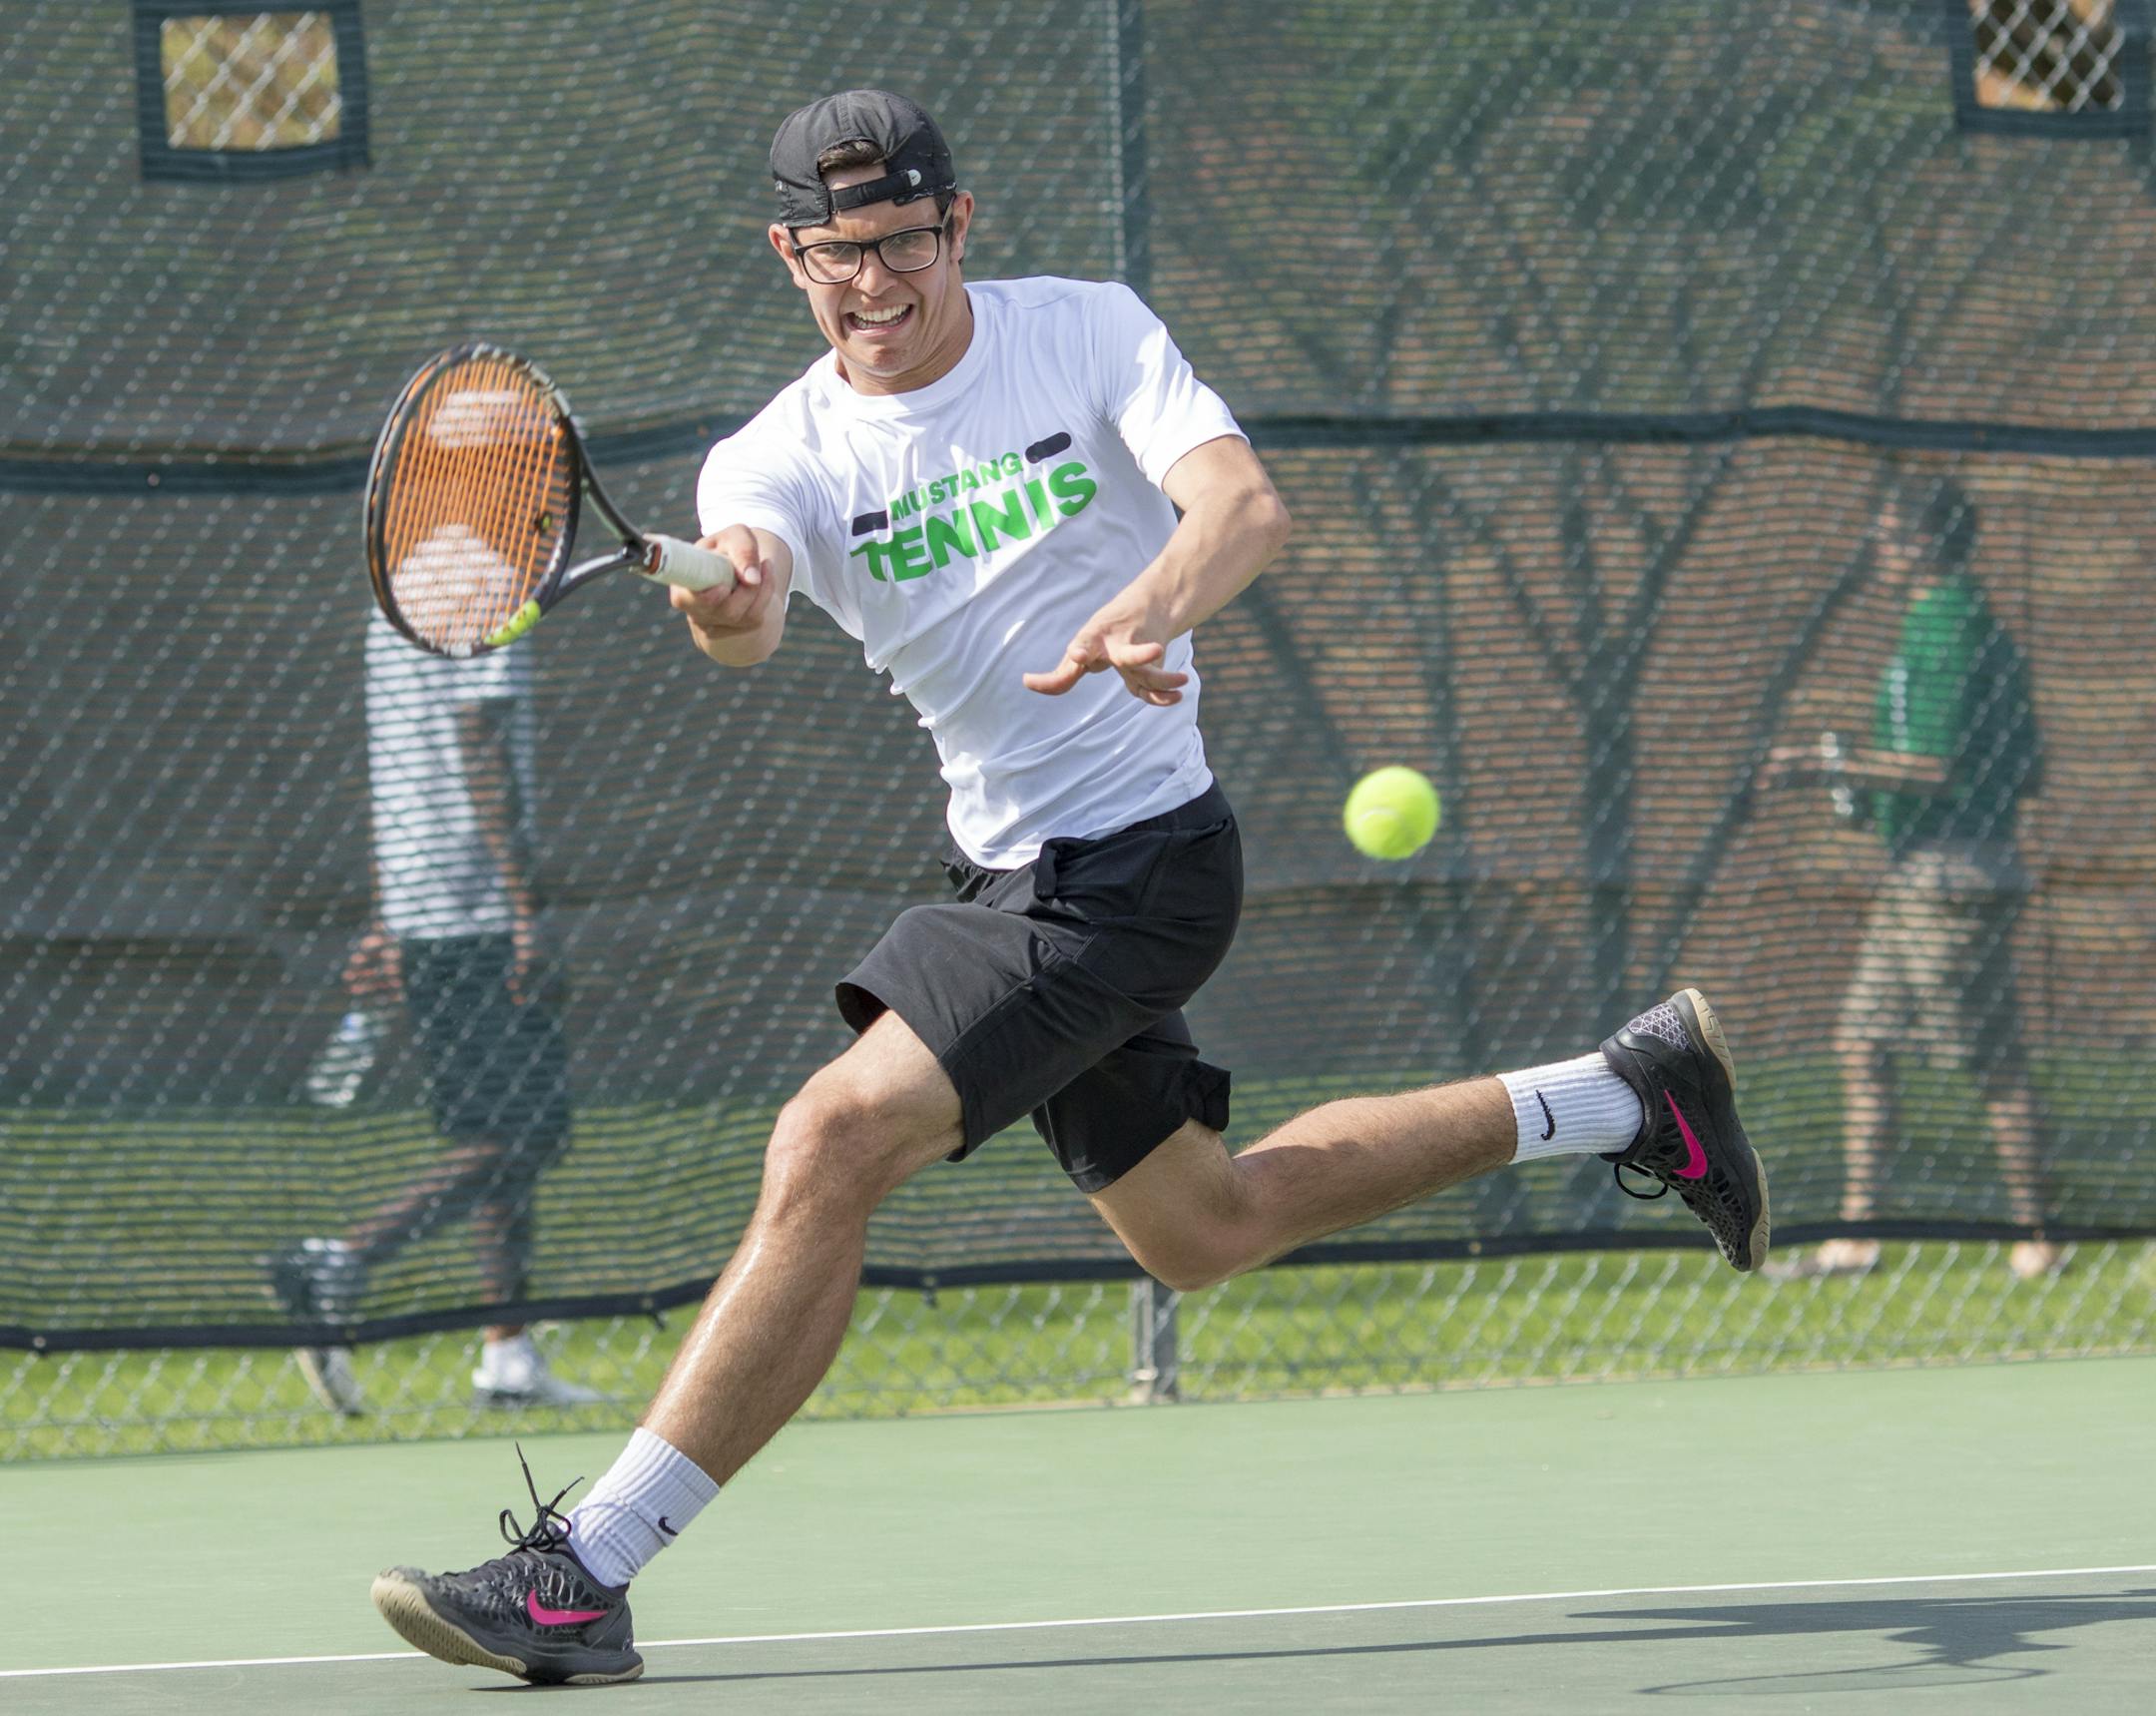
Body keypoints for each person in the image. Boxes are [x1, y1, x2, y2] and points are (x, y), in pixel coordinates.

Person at [367, 90, 1770, 1687]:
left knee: (829, 1133)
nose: (875, 284)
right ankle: (1625, 1092)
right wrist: (729, 593)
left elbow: (1241, 505)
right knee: (1205, 1228)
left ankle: (583, 1570)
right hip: (1013, 868)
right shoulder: (777, 454)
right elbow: (742, 623)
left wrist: (1149, 607)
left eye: (903, 241)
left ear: (959, 226)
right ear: (789, 255)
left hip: (1140, 866)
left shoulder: (1082, 334)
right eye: (839, 254)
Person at [270, 604, 600, 1414]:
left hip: (429, 909)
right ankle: (337, 1263)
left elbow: (395, 762)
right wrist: (527, 909)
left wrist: (393, 915)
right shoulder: (481, 587)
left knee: (501, 1130)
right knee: (520, 1133)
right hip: (477, 910)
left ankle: (507, 1354)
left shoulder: (397, 594)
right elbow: (476, 737)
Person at [1761, 478, 2057, 1282]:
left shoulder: (1949, 628)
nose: (1879, 548)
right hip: (1917, 873)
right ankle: (1860, 1234)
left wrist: (1825, 764)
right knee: (1863, 1041)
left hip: (1951, 877)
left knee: (1990, 1058)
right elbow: (2022, 763)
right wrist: (1863, 781)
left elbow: (1935, 765)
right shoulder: (1954, 625)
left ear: (1927, 540)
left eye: (1890, 534)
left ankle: (2040, 1236)